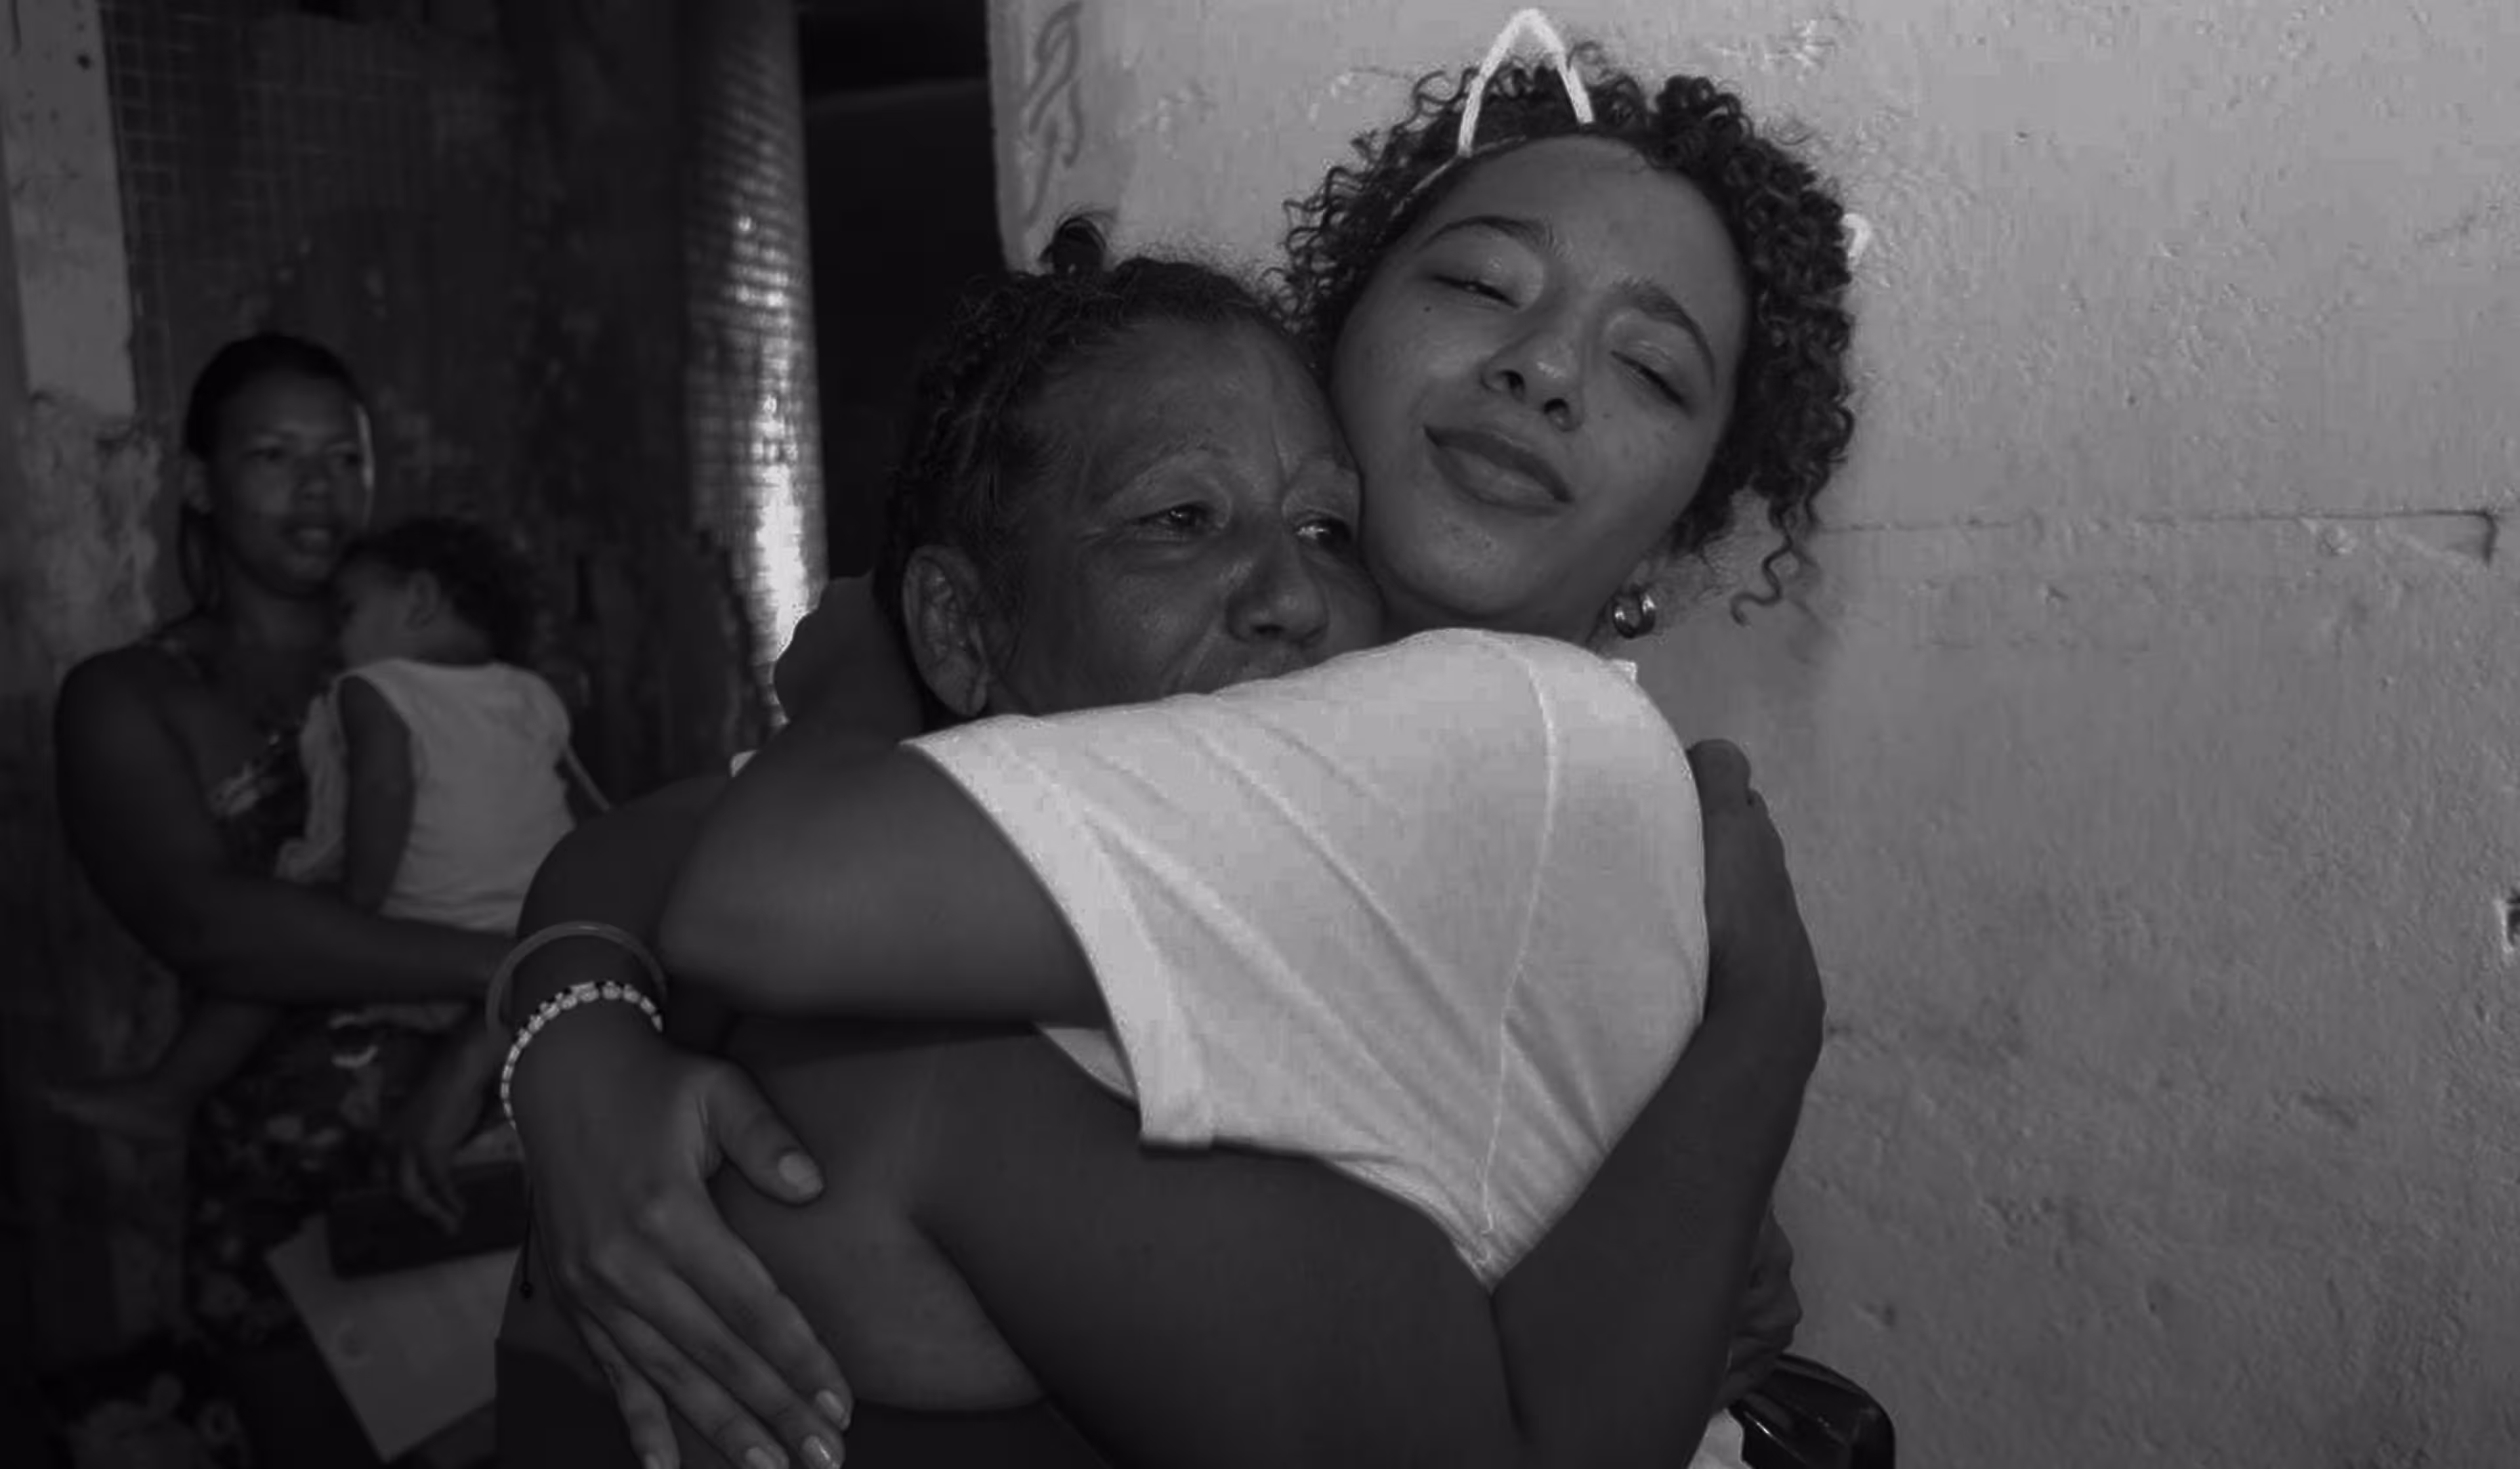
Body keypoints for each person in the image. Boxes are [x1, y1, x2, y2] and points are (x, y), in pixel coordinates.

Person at [503, 39, 1850, 1469]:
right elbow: (674, 849)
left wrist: (857, 685)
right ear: (1337, 343)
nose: (1548, 369)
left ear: (1690, 524)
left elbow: (742, 883)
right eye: (1476, 283)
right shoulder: (1087, 872)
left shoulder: (1529, 738)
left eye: (1652, 367)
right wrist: (575, 1022)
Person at [50, 335, 522, 1466]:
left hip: (482, 1157)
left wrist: (479, 1045)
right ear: (199, 480)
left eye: (344, 458)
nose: (320, 490)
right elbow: (210, 928)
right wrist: (496, 966)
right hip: (277, 1207)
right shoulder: (132, 698)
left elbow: (576, 872)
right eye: (275, 455)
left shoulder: (436, 662)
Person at [51, 517, 583, 1197]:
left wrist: (358, 900)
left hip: (413, 919)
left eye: (348, 613)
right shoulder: (534, 695)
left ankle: (167, 1093)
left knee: (276, 949)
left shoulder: (373, 689)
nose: (336, 639)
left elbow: (384, 788)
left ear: (419, 602)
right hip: (521, 933)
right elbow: (585, 815)